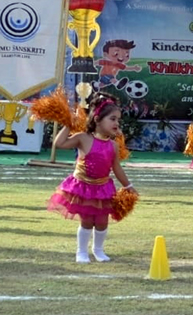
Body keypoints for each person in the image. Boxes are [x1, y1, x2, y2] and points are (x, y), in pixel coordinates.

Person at [47, 94, 137, 263]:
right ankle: (81, 252)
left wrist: (128, 185)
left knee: (102, 221)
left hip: (103, 188)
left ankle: (98, 250)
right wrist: (68, 123)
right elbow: (59, 144)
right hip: (83, 187)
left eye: (118, 120)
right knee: (87, 221)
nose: (117, 123)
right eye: (112, 119)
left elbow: (116, 168)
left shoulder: (113, 145)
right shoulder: (83, 138)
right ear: (97, 119)